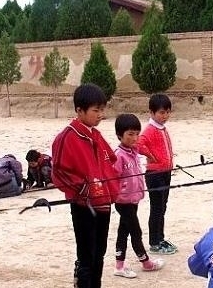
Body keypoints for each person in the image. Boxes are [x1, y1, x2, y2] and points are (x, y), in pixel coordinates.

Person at [51, 83, 119, 288]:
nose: (100, 115)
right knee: (87, 255)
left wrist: (112, 187)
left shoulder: (95, 134)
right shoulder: (68, 137)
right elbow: (59, 172)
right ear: (79, 110)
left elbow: (111, 160)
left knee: (100, 253)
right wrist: (84, 188)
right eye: (95, 110)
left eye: (102, 109)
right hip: (84, 206)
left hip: (104, 204)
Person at [112, 113, 164, 278]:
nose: (135, 138)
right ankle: (145, 262)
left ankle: (119, 265)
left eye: (137, 133)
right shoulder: (118, 155)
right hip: (123, 201)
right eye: (130, 134)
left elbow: (145, 148)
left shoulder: (134, 151)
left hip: (133, 199)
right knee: (136, 231)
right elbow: (113, 178)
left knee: (123, 231)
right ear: (120, 135)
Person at [137, 93, 177, 254]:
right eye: (161, 112)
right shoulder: (150, 129)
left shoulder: (162, 128)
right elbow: (139, 144)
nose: (165, 116)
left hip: (165, 172)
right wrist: (151, 156)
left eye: (167, 112)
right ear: (152, 113)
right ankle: (154, 241)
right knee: (156, 208)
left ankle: (161, 237)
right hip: (155, 174)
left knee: (162, 207)